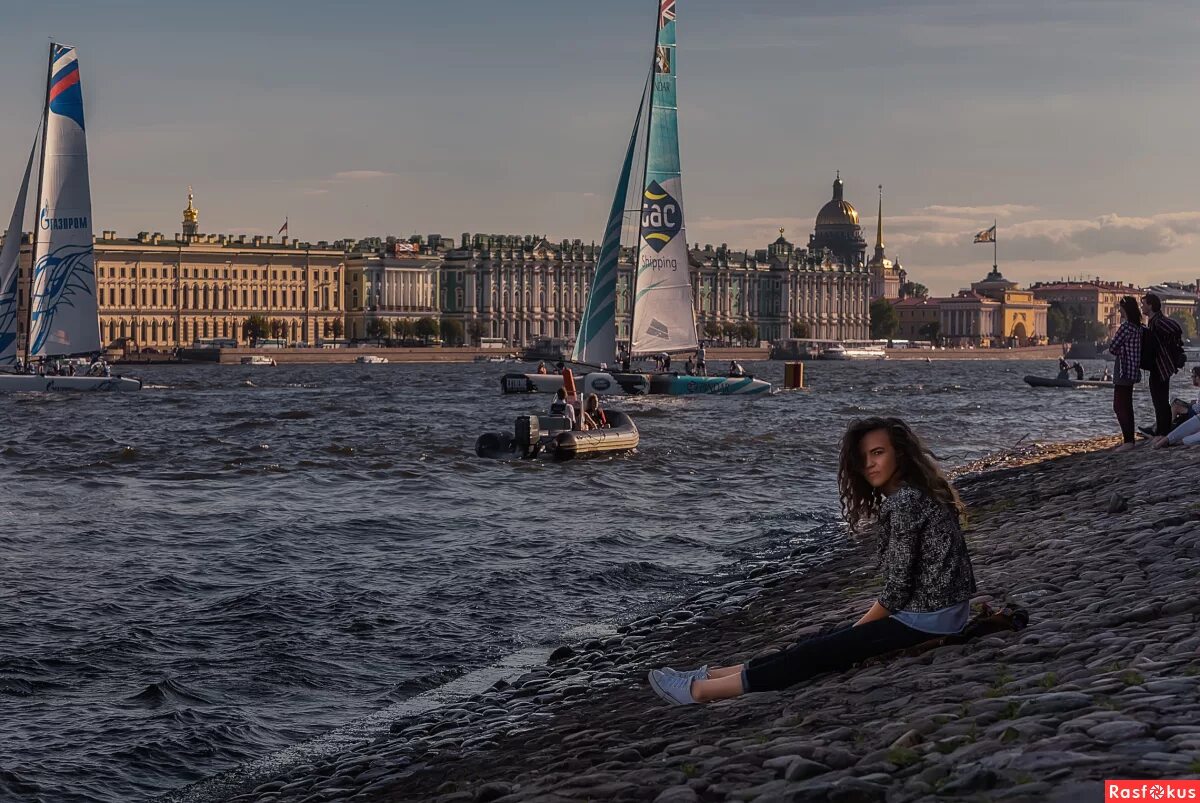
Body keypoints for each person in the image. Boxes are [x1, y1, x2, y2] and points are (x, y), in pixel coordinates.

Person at [647, 417, 977, 705]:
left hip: (928, 619)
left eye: (878, 453)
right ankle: (711, 675)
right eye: (863, 458)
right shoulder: (913, 494)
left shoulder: (904, 503)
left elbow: (897, 590)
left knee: (815, 652)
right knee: (813, 643)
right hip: (938, 613)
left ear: (900, 454)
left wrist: (856, 630)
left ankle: (700, 692)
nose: (870, 464)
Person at [1140, 293, 1185, 438]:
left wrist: (1169, 346)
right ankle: (1160, 429)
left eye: (1144, 304)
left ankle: (1162, 431)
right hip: (1159, 366)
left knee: (1160, 399)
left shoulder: (1158, 321)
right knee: (1159, 399)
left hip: (1162, 366)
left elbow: (1174, 327)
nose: (1142, 306)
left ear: (1151, 305)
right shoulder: (1153, 321)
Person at [1107, 296, 1143, 452]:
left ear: (1125, 309)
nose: (1118, 310)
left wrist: (1121, 351)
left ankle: (1128, 441)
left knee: (1119, 405)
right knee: (1127, 405)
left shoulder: (1125, 327)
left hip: (1123, 370)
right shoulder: (1138, 327)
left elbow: (1113, 347)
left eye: (1120, 307)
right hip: (1133, 369)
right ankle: (1130, 439)